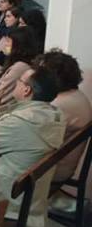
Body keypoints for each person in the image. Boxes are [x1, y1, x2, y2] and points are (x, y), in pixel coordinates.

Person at [0, 66, 65, 227]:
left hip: (7, 203)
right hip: (30, 201)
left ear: (26, 89)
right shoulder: (55, 116)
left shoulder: (18, 123)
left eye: (19, 80)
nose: (16, 84)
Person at [34, 50, 92, 191]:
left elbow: (29, 133)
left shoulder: (59, 105)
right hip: (56, 164)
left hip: (50, 169)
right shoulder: (74, 95)